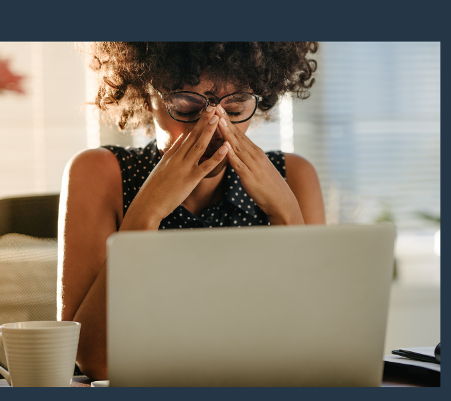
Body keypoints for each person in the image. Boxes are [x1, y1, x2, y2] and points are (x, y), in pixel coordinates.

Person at [58, 42, 325, 380]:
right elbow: (96, 360)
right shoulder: (99, 173)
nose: (212, 126)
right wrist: (147, 212)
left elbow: (315, 350)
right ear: (146, 92)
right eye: (185, 105)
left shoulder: (295, 177)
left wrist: (286, 212)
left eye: (237, 104)